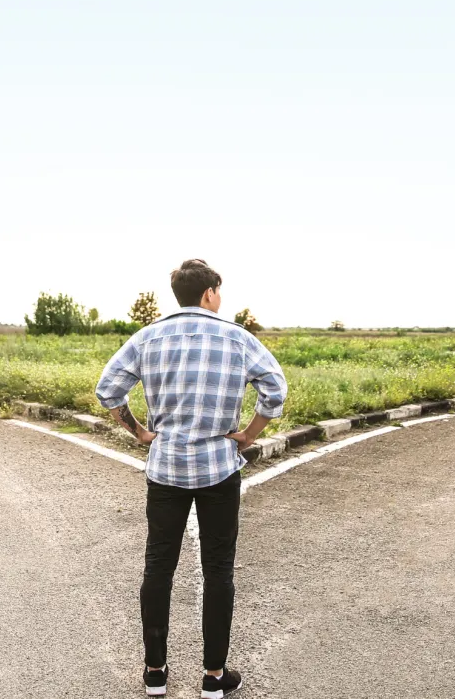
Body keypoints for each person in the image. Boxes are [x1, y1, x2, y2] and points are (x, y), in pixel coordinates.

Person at [96, 259, 287, 698]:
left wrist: (141, 431)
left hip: (165, 470)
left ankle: (155, 673)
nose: (219, 298)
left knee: (158, 566)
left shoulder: (148, 337)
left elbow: (108, 390)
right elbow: (275, 389)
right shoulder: (237, 338)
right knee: (218, 570)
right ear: (208, 294)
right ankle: (214, 678)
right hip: (219, 469)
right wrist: (247, 435)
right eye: (218, 291)